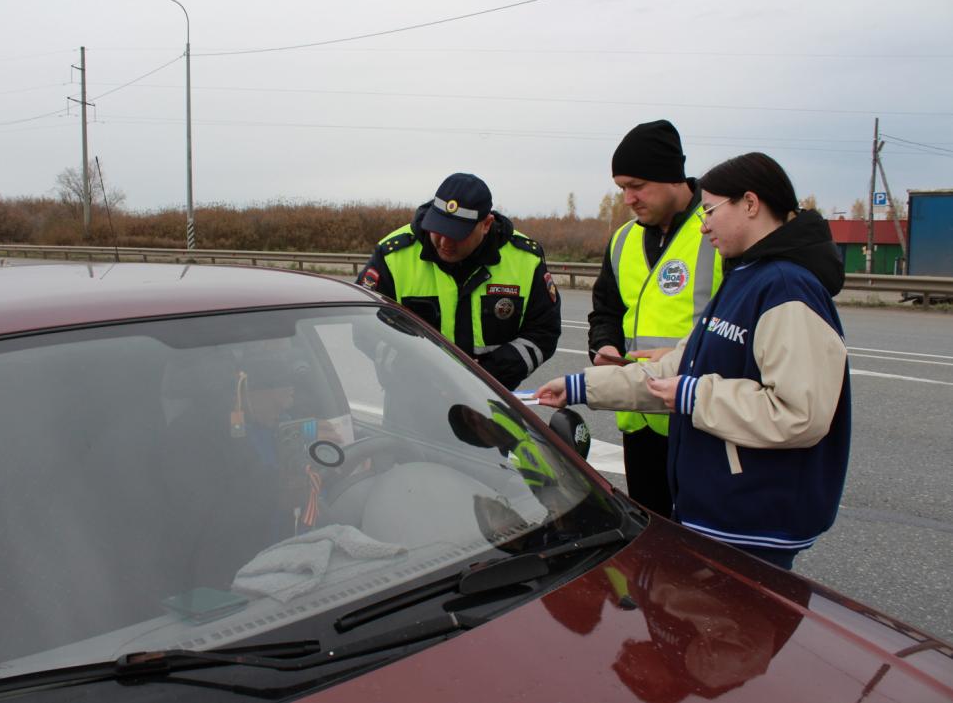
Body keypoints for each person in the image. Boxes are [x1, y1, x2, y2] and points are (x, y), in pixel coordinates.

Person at [537, 152, 851, 570]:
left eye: (711, 211)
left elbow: (799, 412)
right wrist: (581, 386)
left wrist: (693, 396)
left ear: (751, 204)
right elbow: (679, 368)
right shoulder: (745, 276)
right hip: (720, 511)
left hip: (753, 521)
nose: (703, 226)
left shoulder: (786, 288)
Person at [587, 120, 722, 517]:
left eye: (636, 185)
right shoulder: (624, 238)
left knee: (701, 545)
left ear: (672, 176)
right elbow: (606, 310)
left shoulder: (718, 230)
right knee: (653, 534)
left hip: (698, 417)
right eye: (621, 188)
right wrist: (604, 345)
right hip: (640, 419)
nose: (628, 198)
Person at [356, 172, 561, 390]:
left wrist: (489, 374)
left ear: (486, 224)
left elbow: (543, 331)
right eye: (438, 229)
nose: (444, 242)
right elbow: (364, 327)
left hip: (490, 401)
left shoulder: (525, 259)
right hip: (410, 401)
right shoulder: (393, 256)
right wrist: (418, 369)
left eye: (457, 234)